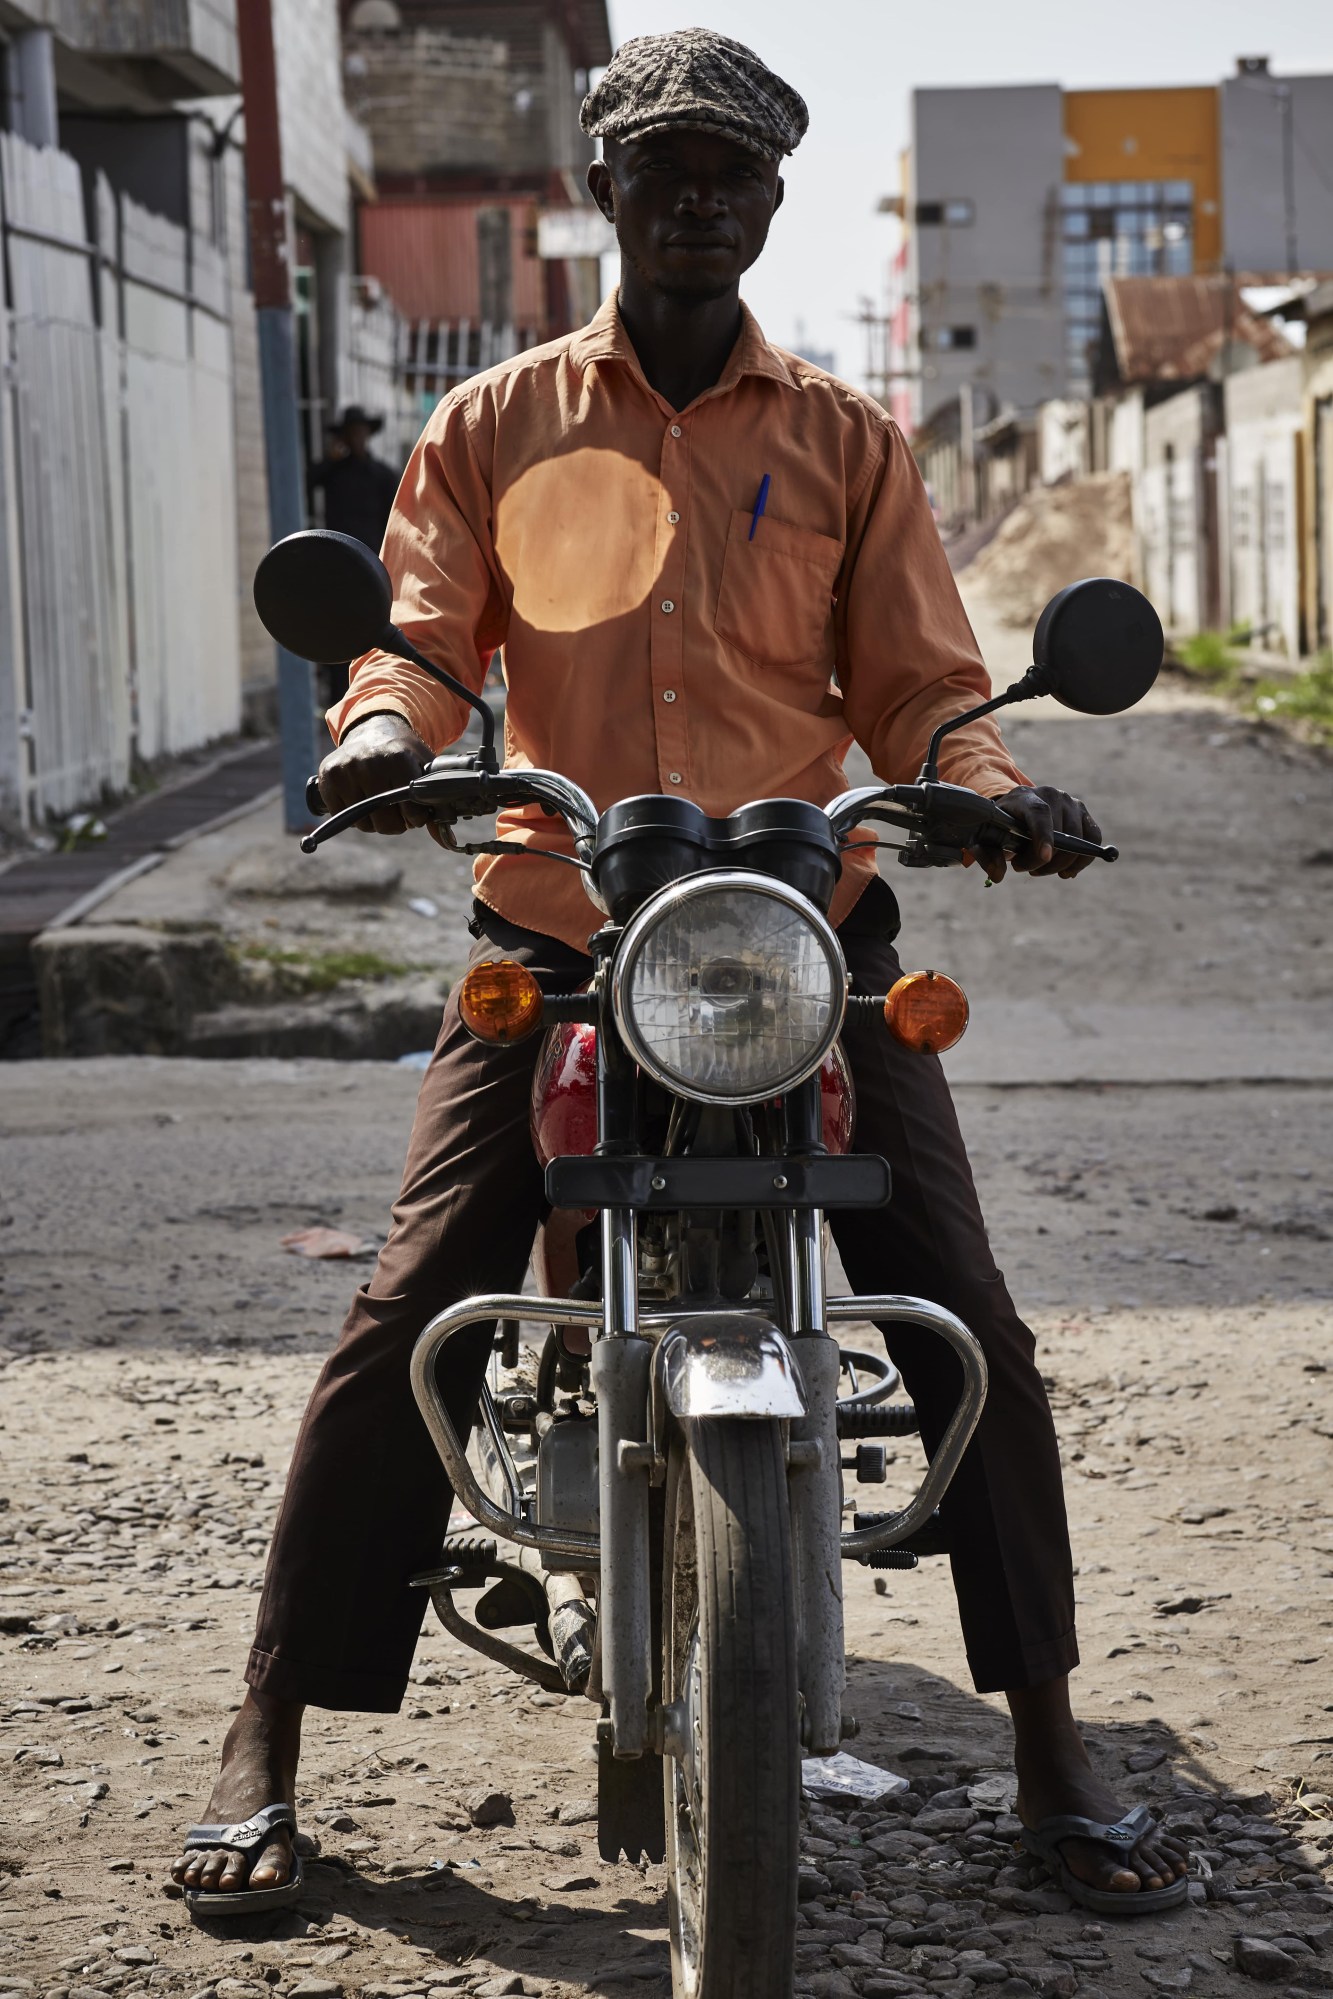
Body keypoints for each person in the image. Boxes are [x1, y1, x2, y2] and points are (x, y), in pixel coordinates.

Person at [174, 29, 1188, 1921]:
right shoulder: (497, 424)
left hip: (800, 928)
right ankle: (268, 1734)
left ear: (771, 201)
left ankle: (1055, 1738)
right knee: (407, 1314)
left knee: (964, 1306)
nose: (698, 197)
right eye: (663, 169)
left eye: (730, 171)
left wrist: (989, 785)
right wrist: (378, 737)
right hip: (565, 924)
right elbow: (413, 635)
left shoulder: (844, 441)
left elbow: (919, 684)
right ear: (611, 192)